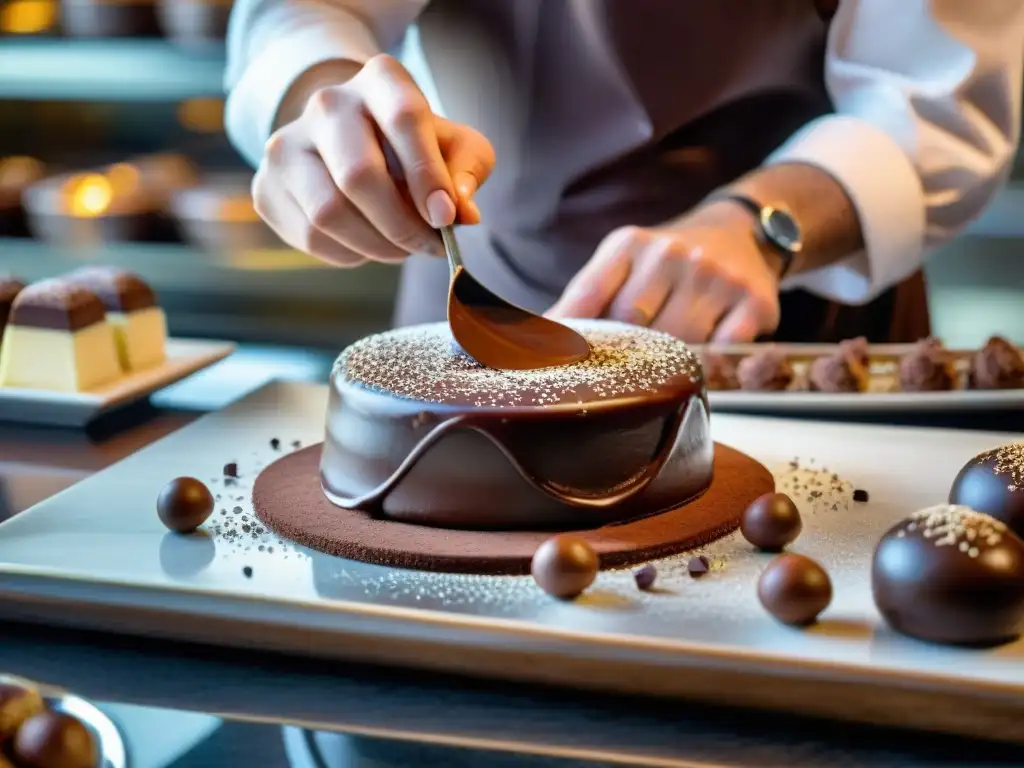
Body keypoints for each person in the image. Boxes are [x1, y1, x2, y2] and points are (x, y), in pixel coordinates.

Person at [224, 1, 1024, 344]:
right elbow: (297, 15)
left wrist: (760, 226)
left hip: (797, 346)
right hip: (473, 327)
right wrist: (320, 105)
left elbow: (937, 101)